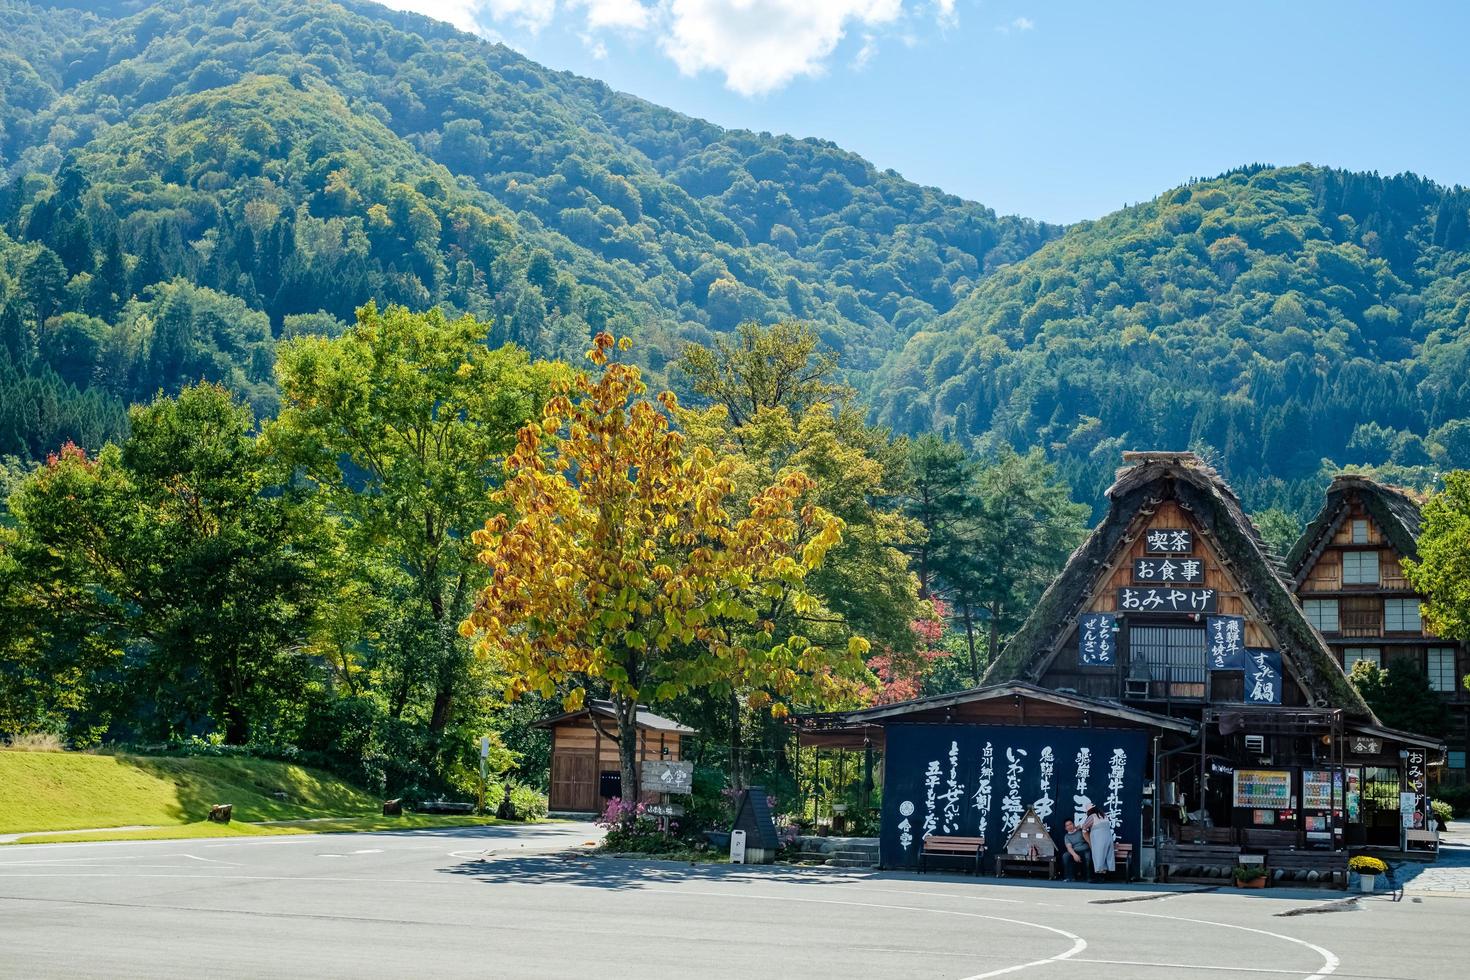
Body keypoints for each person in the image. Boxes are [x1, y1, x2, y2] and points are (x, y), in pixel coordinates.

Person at [1083, 804, 1116, 878]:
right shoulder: (1104, 815)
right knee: (1106, 857)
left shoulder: (1092, 817)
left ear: (1089, 811)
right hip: (1108, 838)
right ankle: (1104, 876)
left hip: (1099, 839)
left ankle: (1099, 876)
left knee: (1098, 856)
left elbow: (1084, 827)